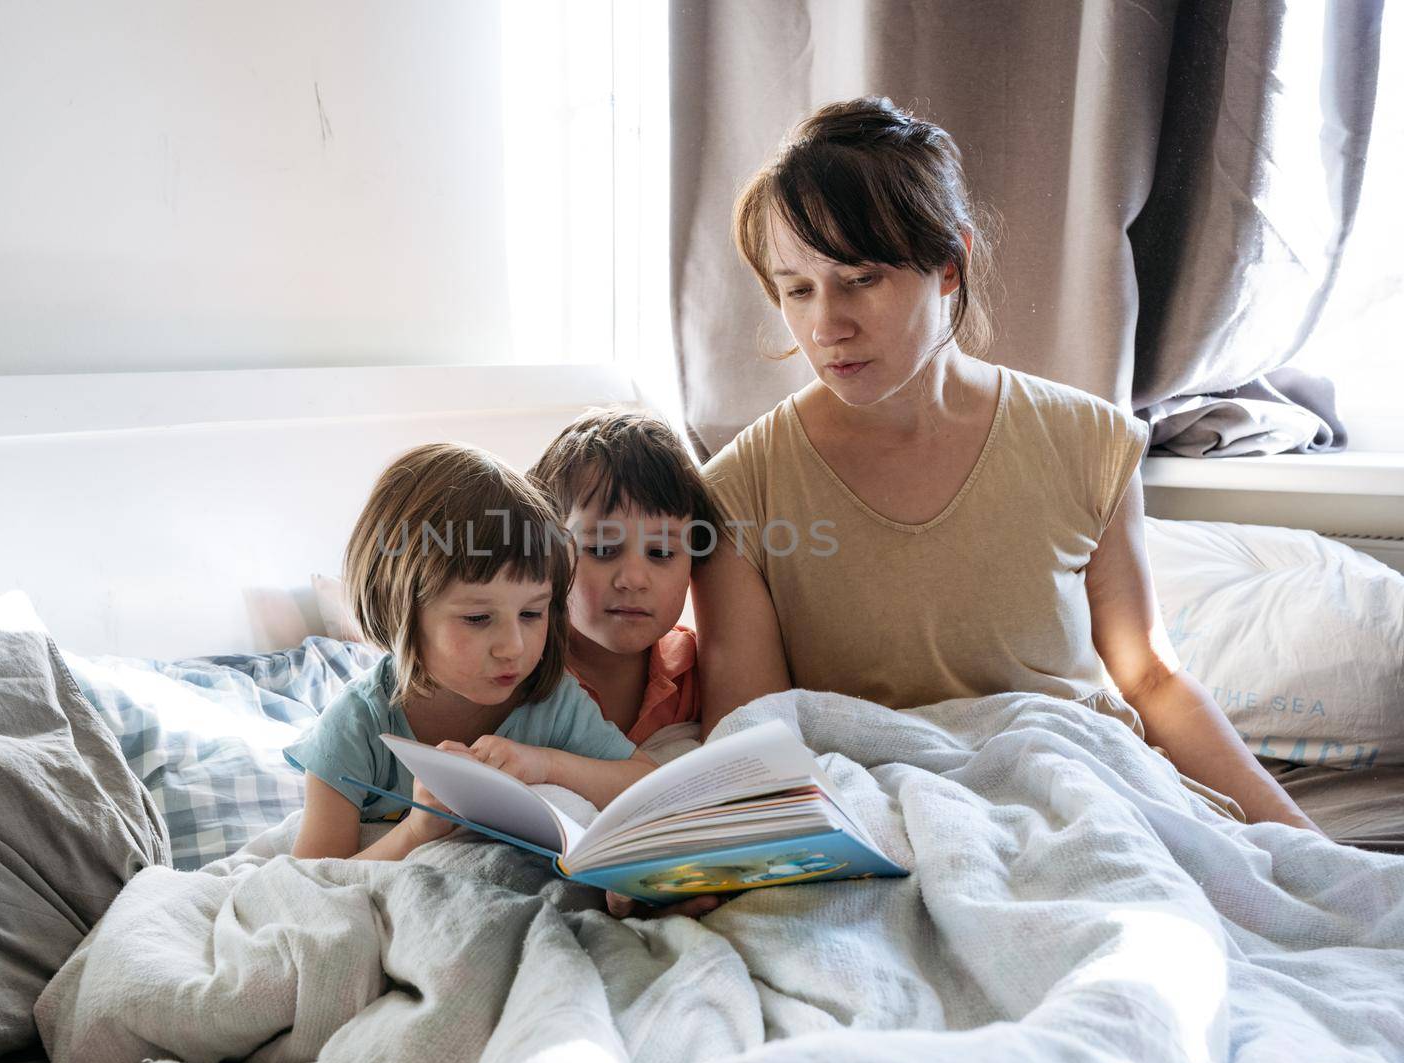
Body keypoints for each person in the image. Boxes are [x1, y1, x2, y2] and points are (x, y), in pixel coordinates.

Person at [695, 96, 1319, 832]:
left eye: (860, 278)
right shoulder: (738, 492)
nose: (825, 324)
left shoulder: (1087, 441)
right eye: (797, 289)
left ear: (949, 265)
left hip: (1082, 800)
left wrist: (1302, 840)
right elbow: (755, 738)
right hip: (886, 823)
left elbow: (1149, 676)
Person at [287, 443, 657, 862]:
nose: (513, 647)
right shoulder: (357, 725)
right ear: (400, 608)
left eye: (532, 613)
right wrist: (417, 830)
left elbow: (649, 782)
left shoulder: (551, 700)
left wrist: (546, 766)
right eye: (479, 618)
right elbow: (312, 878)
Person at [526, 408, 721, 744]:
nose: (633, 579)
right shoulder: (517, 670)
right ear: (547, 554)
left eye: (660, 553)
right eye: (602, 550)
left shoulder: (701, 675)